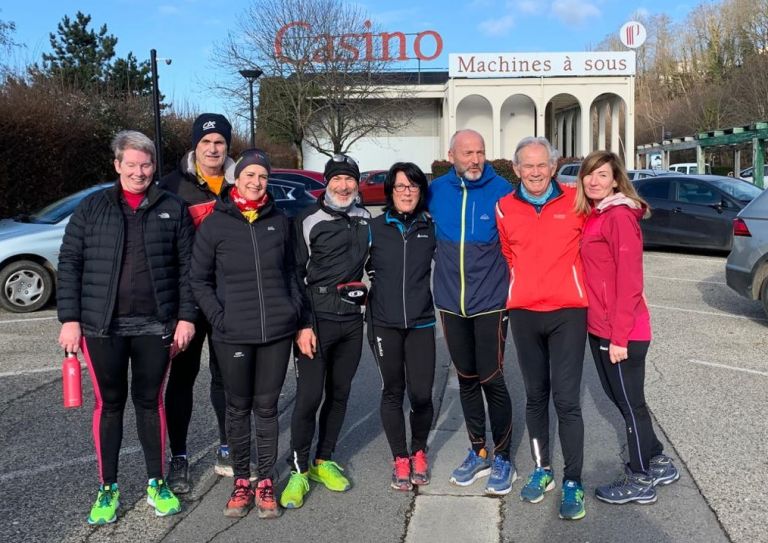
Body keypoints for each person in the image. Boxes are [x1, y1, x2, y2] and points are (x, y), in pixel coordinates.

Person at [57, 130, 196, 525]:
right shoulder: (92, 208)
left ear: (155, 166)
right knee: (110, 405)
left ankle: (156, 482)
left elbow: (188, 269)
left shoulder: (173, 207)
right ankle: (108, 487)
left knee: (150, 403)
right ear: (117, 165)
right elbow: (70, 264)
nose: (139, 172)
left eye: (146, 164)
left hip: (156, 325)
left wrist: (186, 317)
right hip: (103, 328)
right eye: (131, 164)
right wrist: (69, 320)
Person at [189, 149, 303, 518]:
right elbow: (199, 279)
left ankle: (266, 480)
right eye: (250, 175)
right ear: (237, 178)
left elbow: (292, 273)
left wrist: (293, 312)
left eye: (263, 177)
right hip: (232, 333)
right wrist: (218, 317)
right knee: (238, 409)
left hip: (275, 333)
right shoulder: (216, 223)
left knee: (266, 408)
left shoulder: (280, 221)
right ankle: (242, 479)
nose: (256, 182)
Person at [575, 150, 680, 505]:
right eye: (589, 174)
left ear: (616, 180)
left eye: (602, 175)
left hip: (620, 332)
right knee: (629, 400)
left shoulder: (618, 216)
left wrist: (619, 337)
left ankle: (639, 478)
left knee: (629, 404)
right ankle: (656, 460)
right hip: (603, 326)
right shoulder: (597, 215)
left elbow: (630, 279)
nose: (594, 181)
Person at [495, 136, 588, 520]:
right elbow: (507, 252)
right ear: (516, 169)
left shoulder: (576, 201)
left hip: (568, 312)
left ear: (553, 166)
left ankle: (573, 481)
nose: (535, 172)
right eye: (527, 166)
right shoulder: (504, 207)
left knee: (566, 400)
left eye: (542, 165)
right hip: (525, 314)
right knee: (536, 396)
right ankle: (542, 470)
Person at [427, 129, 516, 496]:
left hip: (491, 303)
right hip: (451, 303)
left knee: (491, 379)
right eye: (467, 153)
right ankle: (478, 449)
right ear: (451, 156)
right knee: (465, 378)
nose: (475, 160)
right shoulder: (435, 192)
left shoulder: (503, 193)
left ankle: (503, 456)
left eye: (480, 152)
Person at [280, 154, 371, 509]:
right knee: (308, 397)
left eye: (350, 179)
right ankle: (299, 470)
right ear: (327, 183)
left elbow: (374, 266)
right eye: (337, 179)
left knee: (340, 393)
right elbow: (294, 276)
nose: (344, 186)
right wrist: (302, 325)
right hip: (315, 321)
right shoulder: (308, 219)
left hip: (351, 321)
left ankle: (323, 460)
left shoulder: (365, 219)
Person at [159, 113, 235, 493]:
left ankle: (228, 447)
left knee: (227, 379)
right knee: (182, 379)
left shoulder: (243, 183)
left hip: (229, 301)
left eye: (219, 142)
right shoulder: (172, 187)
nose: (213, 148)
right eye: (206, 142)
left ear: (227, 146)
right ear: (195, 146)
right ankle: (180, 456)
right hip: (186, 302)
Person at [366, 162, 436, 491]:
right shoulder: (374, 227)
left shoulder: (431, 227)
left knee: (421, 394)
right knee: (393, 391)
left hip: (421, 322)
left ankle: (419, 449)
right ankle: (400, 457)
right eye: (400, 186)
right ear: (390, 191)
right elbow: (351, 265)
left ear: (421, 191)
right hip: (383, 323)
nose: (406, 192)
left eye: (413, 186)